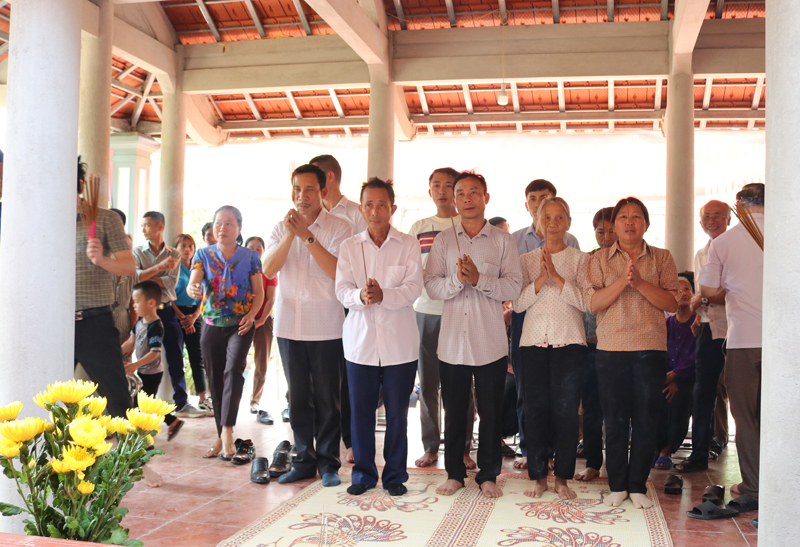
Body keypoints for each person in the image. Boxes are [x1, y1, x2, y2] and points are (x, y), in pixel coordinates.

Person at [425, 171, 522, 499]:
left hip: (490, 342)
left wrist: (479, 278)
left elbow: (513, 286)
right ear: (454, 200)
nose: (467, 199)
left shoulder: (502, 240)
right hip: (452, 342)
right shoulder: (442, 240)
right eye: (461, 193)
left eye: (473, 193)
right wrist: (457, 280)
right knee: (453, 410)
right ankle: (454, 473)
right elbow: (432, 286)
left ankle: (488, 475)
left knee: (491, 412)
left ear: (486, 198)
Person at [583, 197, 679, 509]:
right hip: (611, 350)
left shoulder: (662, 258)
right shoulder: (598, 259)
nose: (629, 222)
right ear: (614, 225)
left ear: (646, 224)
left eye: (636, 216)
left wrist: (639, 283)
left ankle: (637, 484)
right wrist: (622, 284)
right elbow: (593, 304)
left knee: (646, 420)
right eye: (623, 217)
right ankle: (617, 485)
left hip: (650, 349)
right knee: (614, 419)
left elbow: (672, 303)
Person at [263, 164, 352, 486]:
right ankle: (303, 460)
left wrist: (307, 236)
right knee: (297, 398)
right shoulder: (278, 228)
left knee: (329, 399)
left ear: (323, 192)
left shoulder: (340, 228)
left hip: (327, 326)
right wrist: (290, 234)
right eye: (297, 190)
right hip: (289, 326)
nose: (303, 196)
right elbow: (269, 268)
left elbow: (337, 272)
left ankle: (329, 463)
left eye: (310, 189)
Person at [335, 178, 423, 496]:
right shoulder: (349, 247)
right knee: (361, 413)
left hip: (400, 345)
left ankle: (395, 475)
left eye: (382, 204)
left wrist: (385, 295)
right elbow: (342, 290)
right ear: (361, 209)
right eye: (369, 204)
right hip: (360, 346)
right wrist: (362, 295)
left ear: (392, 208)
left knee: (398, 413)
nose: (375, 210)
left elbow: (414, 287)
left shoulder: (408, 244)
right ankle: (363, 475)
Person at [513, 197, 588, 500]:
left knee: (567, 411)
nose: (553, 223)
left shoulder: (581, 260)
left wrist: (556, 279)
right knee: (535, 411)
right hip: (532, 342)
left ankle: (562, 479)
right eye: (548, 218)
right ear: (538, 222)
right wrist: (539, 280)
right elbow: (517, 304)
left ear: (568, 222)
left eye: (560, 217)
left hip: (569, 341)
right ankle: (538, 477)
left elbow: (586, 303)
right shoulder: (526, 261)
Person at [698, 183, 764, 502]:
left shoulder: (724, 242)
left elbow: (708, 290)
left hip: (744, 340)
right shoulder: (790, 232)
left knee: (747, 417)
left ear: (738, 206)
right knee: (781, 414)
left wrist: (733, 286)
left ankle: (753, 487)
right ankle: (782, 483)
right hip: (785, 342)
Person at [407, 167, 476, 470]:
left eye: (450, 185)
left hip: (462, 312)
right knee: (429, 383)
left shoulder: (470, 225)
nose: (443, 191)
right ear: (430, 190)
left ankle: (462, 449)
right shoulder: (419, 227)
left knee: (463, 385)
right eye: (437, 185)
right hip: (425, 313)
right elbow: (409, 270)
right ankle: (431, 446)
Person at [188, 205, 265, 460]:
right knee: (215, 380)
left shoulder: (251, 257)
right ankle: (221, 435)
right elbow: (193, 283)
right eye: (218, 223)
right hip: (211, 325)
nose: (222, 228)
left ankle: (228, 431)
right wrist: (193, 290)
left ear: (239, 228)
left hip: (240, 324)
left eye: (229, 223)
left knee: (234, 370)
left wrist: (252, 315)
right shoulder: (203, 255)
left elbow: (260, 293)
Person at [310, 154, 365, 464]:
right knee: (320, 380)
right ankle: (317, 442)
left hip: (348, 305)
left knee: (347, 377)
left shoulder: (356, 214)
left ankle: (350, 441)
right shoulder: (307, 216)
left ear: (328, 178)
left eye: (312, 180)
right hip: (316, 307)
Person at [673, 200, 731, 473]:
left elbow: (731, 293)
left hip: (739, 328)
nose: (711, 221)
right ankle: (698, 453)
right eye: (706, 216)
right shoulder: (701, 253)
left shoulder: (739, 247)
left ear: (729, 218)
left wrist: (703, 298)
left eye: (717, 216)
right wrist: (699, 310)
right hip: (708, 327)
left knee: (739, 394)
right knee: (702, 391)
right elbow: (704, 294)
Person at [74, 157, 135, 418]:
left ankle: (133, 453)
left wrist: (102, 259)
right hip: (52, 323)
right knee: (45, 394)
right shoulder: (44, 220)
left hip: (94, 321)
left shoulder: (106, 219)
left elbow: (129, 266)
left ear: (79, 184)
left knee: (117, 396)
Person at [134, 212, 203, 419]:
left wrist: (148, 274)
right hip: (144, 314)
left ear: (159, 226)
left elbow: (171, 283)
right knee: (143, 358)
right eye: (142, 225)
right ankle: (140, 407)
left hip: (167, 310)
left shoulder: (174, 254)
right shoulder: (137, 251)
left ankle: (181, 402)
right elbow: (136, 280)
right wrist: (160, 270)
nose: (143, 229)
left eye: (146, 225)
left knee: (176, 357)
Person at [575, 207, 616, 482]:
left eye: (611, 230)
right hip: (589, 343)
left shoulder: (629, 261)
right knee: (591, 408)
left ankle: (616, 464)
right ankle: (592, 462)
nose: (606, 236)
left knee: (617, 408)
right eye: (600, 231)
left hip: (619, 344)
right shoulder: (587, 261)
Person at [122, 280, 184, 442]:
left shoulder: (155, 325)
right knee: (147, 403)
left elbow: (154, 353)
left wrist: (135, 364)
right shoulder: (140, 323)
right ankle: (172, 421)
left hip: (152, 373)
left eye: (136, 302)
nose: (133, 306)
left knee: (143, 405)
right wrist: (114, 353)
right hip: (143, 371)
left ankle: (145, 438)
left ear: (151, 303)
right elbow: (130, 342)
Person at [654, 277, 696, 469]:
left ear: (693, 294)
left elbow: (697, 356)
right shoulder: (664, 323)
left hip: (689, 378)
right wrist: (668, 377)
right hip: (665, 376)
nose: (684, 293)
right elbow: (658, 351)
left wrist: (676, 375)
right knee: (654, 396)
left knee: (680, 398)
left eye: (687, 289)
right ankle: (655, 448)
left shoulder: (699, 323)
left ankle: (667, 450)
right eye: (678, 290)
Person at [173, 233, 212, 416]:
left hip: (195, 315)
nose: (187, 250)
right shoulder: (172, 269)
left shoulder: (198, 268)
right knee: (177, 358)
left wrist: (194, 316)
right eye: (183, 246)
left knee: (198, 357)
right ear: (176, 248)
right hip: (176, 315)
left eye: (190, 246)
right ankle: (182, 401)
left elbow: (204, 295)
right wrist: (182, 317)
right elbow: (168, 295)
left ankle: (204, 399)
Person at [244, 236, 278, 420]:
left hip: (263, 321)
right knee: (236, 361)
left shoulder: (269, 270)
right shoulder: (239, 269)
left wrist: (261, 320)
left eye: (259, 248)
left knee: (261, 362)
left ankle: (255, 400)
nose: (255, 251)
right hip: (241, 320)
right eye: (251, 247)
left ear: (263, 251)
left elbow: (271, 299)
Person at [109, 209, 138, 368]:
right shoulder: (104, 265)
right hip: (103, 321)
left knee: (124, 369)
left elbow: (134, 306)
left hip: (124, 322)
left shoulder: (132, 271)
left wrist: (133, 335)